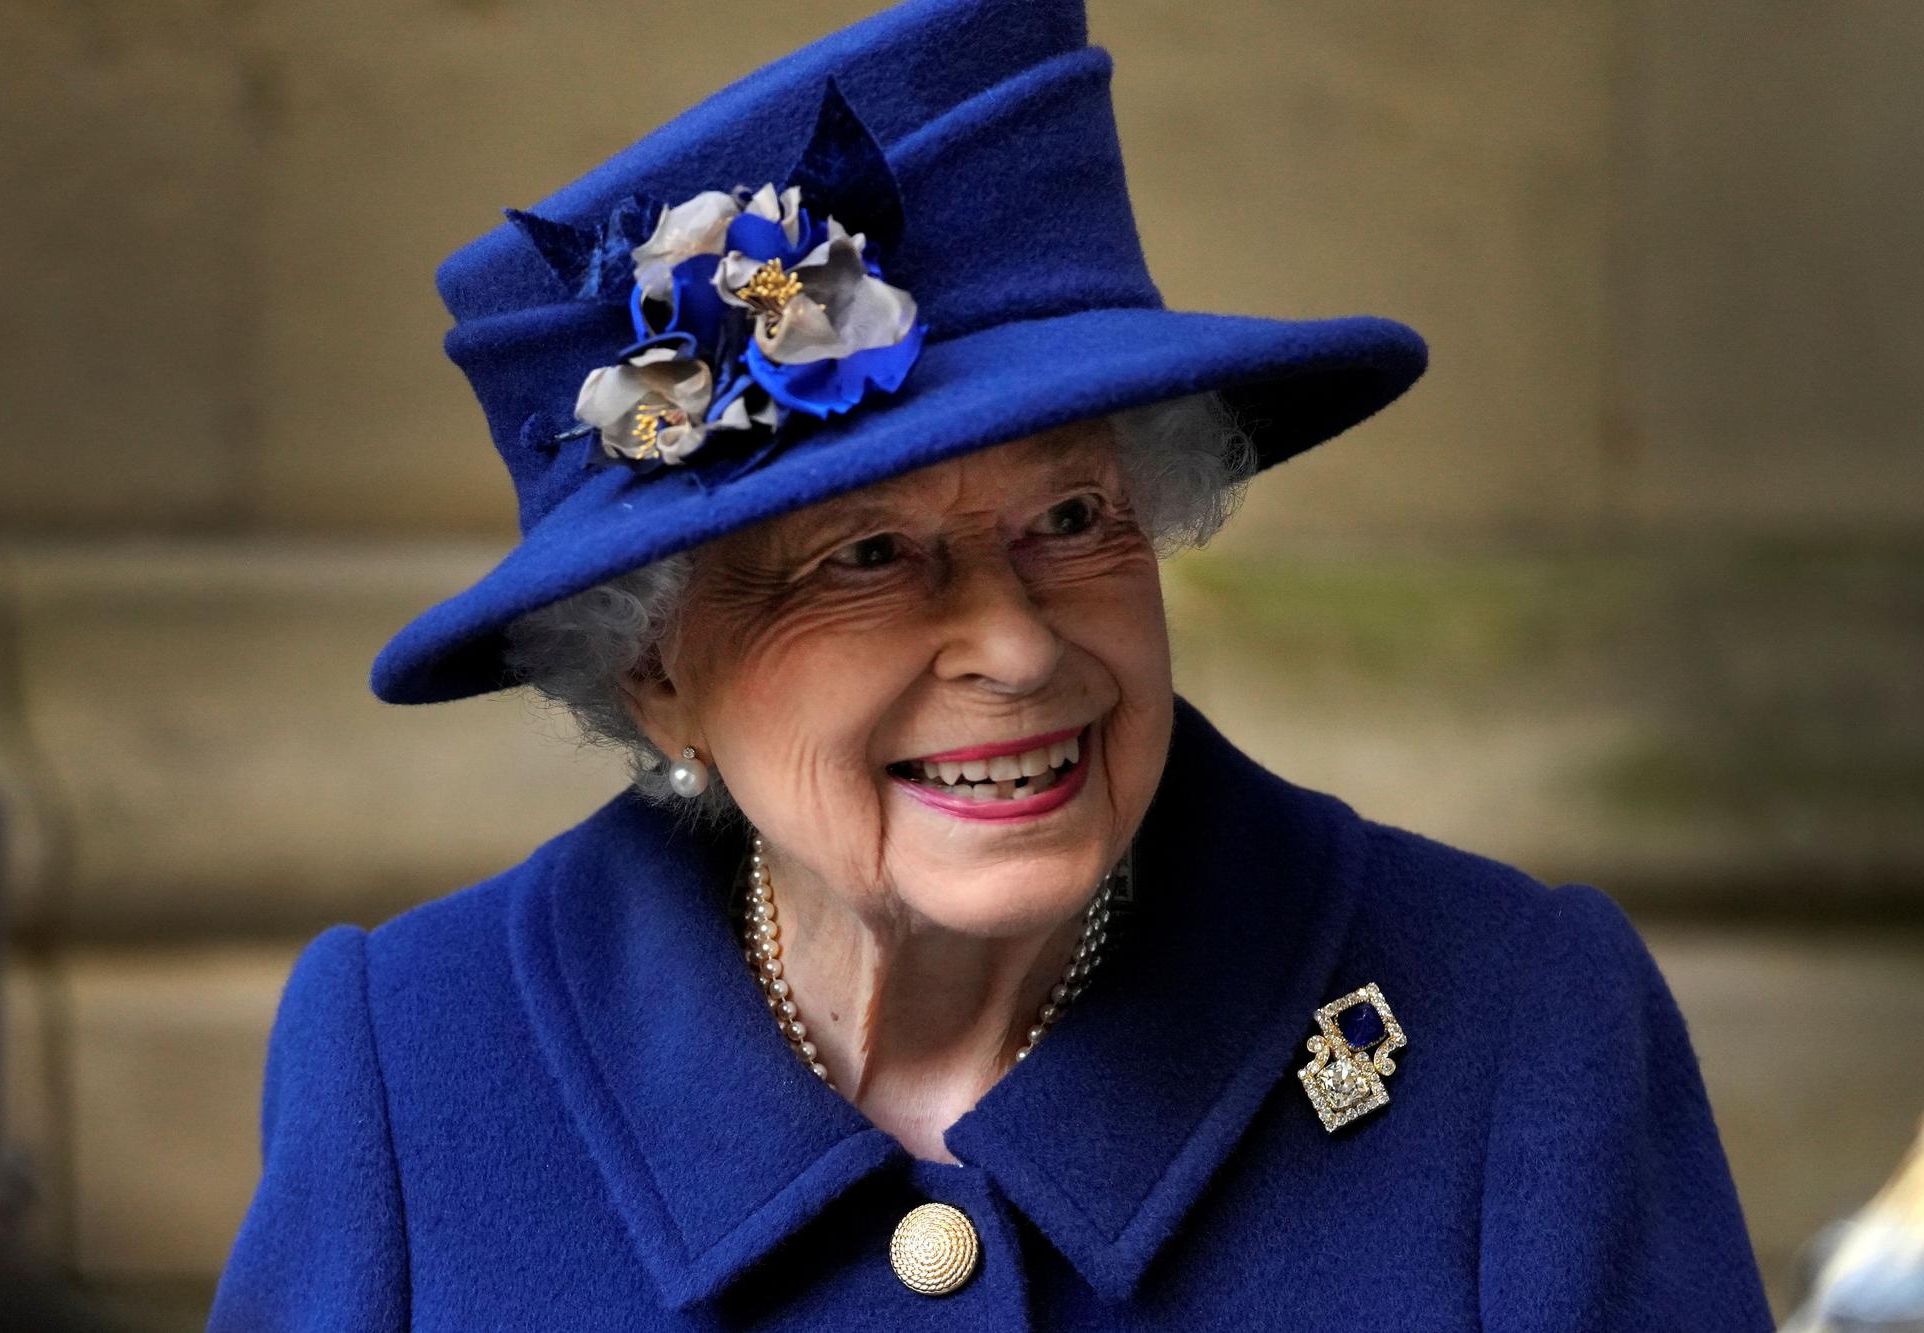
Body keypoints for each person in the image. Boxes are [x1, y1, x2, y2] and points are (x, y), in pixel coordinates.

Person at [210, 0, 1771, 1327]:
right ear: (655, 672)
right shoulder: (416, 1065)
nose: (1021, 645)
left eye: (1076, 517)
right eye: (867, 559)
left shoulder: (1519, 1031)